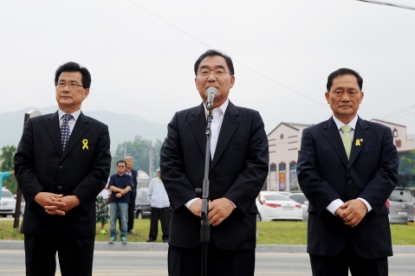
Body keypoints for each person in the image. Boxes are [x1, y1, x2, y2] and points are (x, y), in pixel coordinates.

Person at [160, 49, 269, 276]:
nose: (211, 77)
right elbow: (169, 165)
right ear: (196, 81)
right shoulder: (180, 121)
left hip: (234, 232)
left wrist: (230, 201)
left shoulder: (251, 120)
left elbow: (257, 166)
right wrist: (192, 202)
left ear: (232, 80)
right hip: (187, 232)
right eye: (204, 72)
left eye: (219, 71)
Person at [297, 68, 399, 276]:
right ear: (328, 96)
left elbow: (388, 172)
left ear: (361, 96)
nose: (345, 97)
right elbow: (307, 174)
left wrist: (363, 204)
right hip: (327, 235)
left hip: (370, 234)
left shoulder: (381, 134)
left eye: (352, 92)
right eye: (338, 91)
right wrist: (336, 207)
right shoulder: (312, 135)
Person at [14, 61, 111, 276]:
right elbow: (22, 164)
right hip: (39, 220)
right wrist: (39, 195)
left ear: (85, 92)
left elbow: (99, 172)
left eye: (73, 84)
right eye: (61, 83)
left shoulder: (98, 130)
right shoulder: (35, 126)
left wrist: (73, 199)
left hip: (77, 223)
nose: (65, 89)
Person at [108, 160, 132, 244]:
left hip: (124, 201)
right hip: (114, 201)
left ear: (125, 167)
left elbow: (129, 187)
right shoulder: (113, 177)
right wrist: (121, 190)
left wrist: (121, 193)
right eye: (119, 166)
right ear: (116, 167)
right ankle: (113, 236)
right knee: (112, 219)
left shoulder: (128, 177)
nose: (121, 168)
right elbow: (111, 187)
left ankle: (123, 236)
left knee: (124, 219)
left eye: (122, 166)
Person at [146, 168, 170, 243]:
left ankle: (166, 237)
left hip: (165, 204)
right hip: (155, 205)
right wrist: (152, 200)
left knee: (165, 223)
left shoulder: (168, 181)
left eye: (161, 172)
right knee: (153, 222)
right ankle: (152, 237)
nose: (160, 174)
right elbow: (149, 192)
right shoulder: (153, 181)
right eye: (159, 172)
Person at [124, 156, 139, 234]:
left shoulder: (135, 172)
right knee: (123, 212)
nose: (129, 163)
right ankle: (123, 228)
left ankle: (129, 228)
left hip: (132, 194)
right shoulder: (122, 171)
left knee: (131, 212)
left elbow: (136, 183)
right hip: (123, 194)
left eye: (130, 162)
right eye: (128, 161)